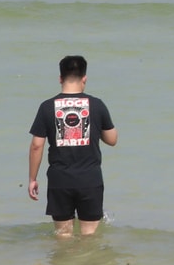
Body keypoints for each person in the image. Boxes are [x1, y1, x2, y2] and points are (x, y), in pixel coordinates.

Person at [28, 55, 118, 238]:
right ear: (85, 78)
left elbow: (37, 145)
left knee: (62, 235)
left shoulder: (46, 107)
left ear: (60, 78)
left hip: (59, 180)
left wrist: (32, 179)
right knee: (89, 236)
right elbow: (112, 139)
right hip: (90, 180)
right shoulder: (97, 105)